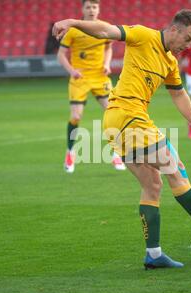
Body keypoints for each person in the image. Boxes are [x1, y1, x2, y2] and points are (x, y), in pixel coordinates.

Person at [53, 9, 191, 270]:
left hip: (119, 123)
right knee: (174, 169)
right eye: (187, 39)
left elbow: (179, 95)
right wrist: (73, 22)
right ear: (175, 29)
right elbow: (106, 30)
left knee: (153, 184)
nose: (188, 47)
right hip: (127, 116)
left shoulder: (170, 62)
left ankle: (153, 255)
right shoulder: (143, 35)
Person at [57, 0, 125, 173]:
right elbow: (61, 55)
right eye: (88, 7)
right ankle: (70, 153)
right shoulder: (73, 30)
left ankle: (116, 153)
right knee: (76, 116)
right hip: (80, 77)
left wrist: (107, 63)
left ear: (98, 9)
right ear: (83, 9)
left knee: (114, 113)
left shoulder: (105, 27)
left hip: (99, 76)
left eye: (94, 7)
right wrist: (71, 71)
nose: (91, 10)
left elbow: (108, 48)